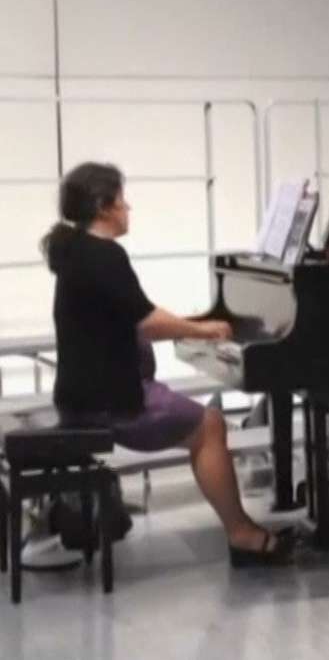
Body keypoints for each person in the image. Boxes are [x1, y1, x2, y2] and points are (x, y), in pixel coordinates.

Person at [41, 162, 289, 566]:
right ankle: (242, 534)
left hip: (84, 392)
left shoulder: (78, 252)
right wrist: (203, 330)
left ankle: (242, 528)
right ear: (103, 206)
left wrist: (193, 325)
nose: (128, 207)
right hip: (112, 401)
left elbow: (132, 315)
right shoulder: (104, 255)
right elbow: (148, 323)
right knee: (210, 427)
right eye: (122, 199)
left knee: (207, 424)